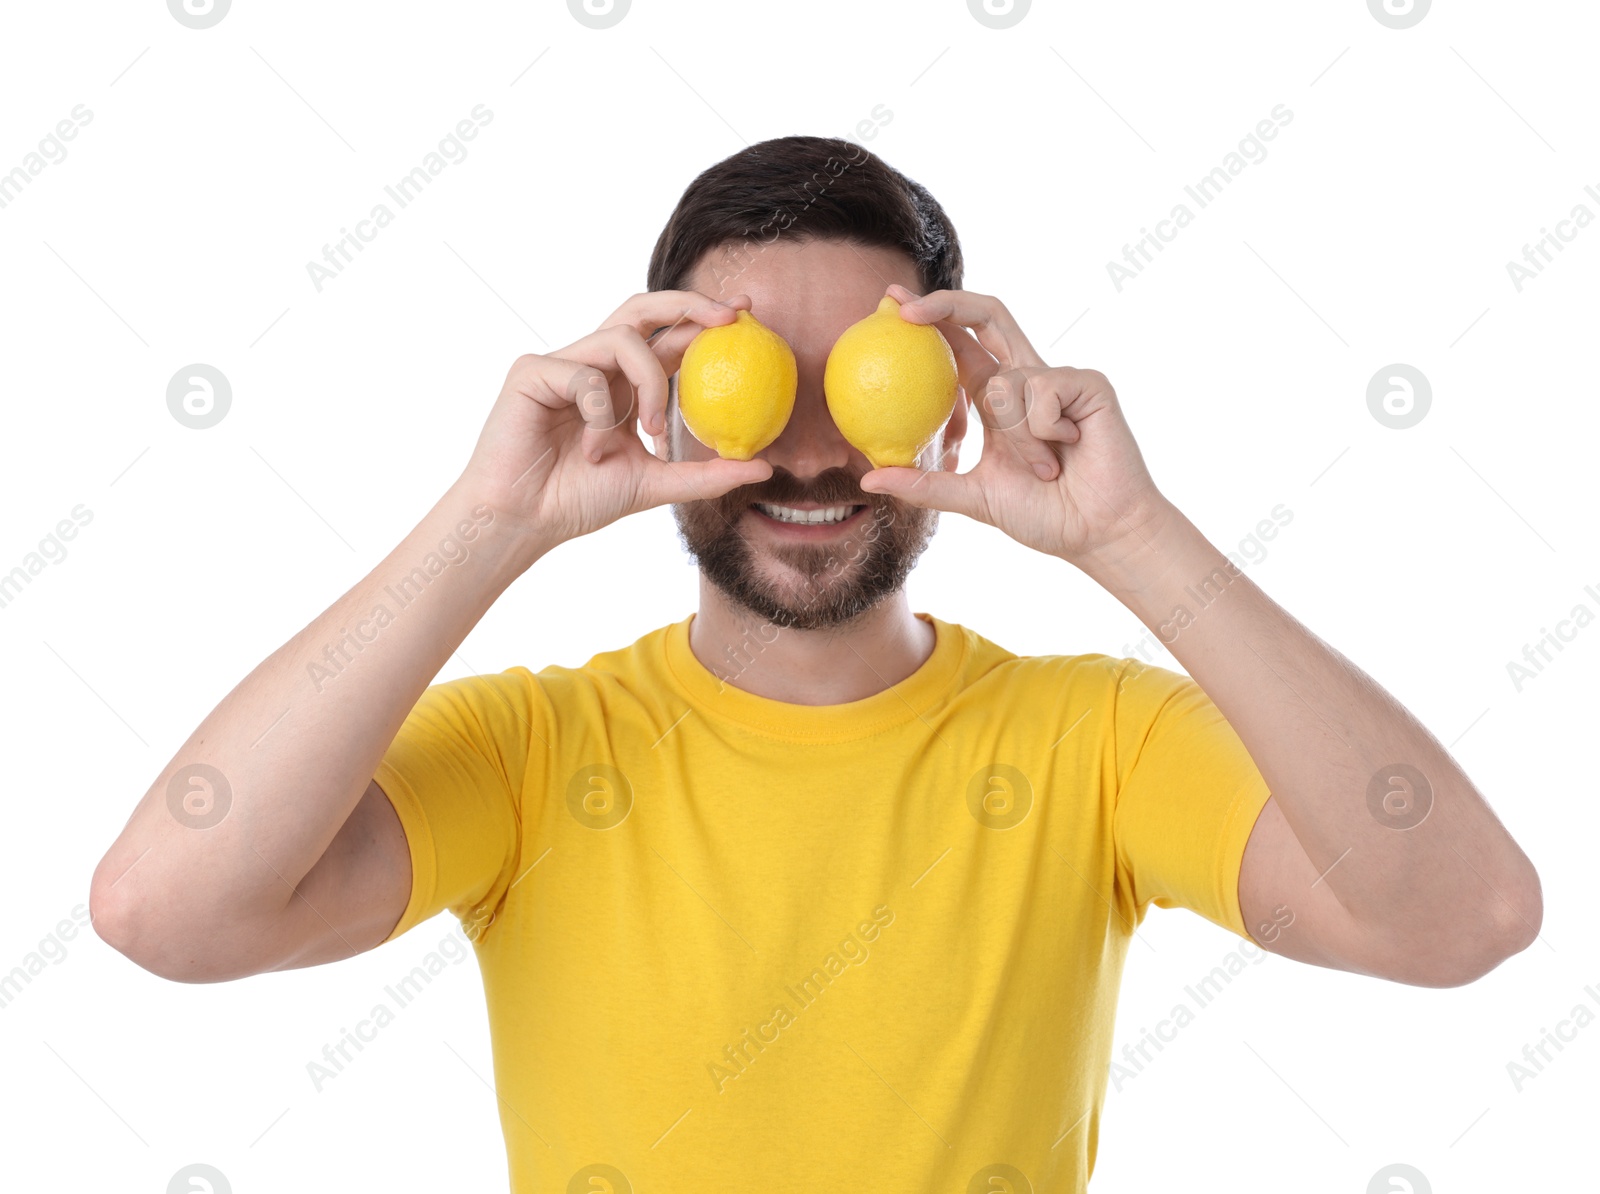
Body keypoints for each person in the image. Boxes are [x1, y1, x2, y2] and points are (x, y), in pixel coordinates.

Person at [90, 135, 1542, 1192]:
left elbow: (1466, 915)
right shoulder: (538, 756)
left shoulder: (1093, 743)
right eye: (749, 386)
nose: (804, 450)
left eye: (856, 380)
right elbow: (164, 908)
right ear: (660, 413)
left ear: (950, 411)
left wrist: (1134, 537)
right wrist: (487, 524)